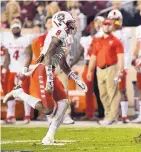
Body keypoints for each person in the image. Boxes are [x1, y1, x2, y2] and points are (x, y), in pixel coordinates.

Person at [3, 11, 87, 145]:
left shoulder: (60, 34)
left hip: (48, 70)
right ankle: (19, 93)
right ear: (61, 22)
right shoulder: (59, 31)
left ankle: (49, 137)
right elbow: (48, 55)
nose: (72, 26)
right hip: (43, 71)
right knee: (48, 109)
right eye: (69, 23)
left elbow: (62, 63)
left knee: (64, 102)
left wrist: (76, 78)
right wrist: (49, 79)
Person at [87, 19, 124, 125]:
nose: (107, 26)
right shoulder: (98, 40)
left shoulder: (116, 41)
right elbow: (93, 57)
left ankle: (112, 117)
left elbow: (120, 57)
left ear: (112, 27)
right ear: (102, 27)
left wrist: (120, 70)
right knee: (103, 94)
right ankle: (109, 115)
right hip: (100, 69)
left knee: (112, 93)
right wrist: (90, 70)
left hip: (111, 68)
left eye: (109, 25)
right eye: (105, 25)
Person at [1, 19, 33, 124]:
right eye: (14, 27)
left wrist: (25, 69)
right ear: (11, 29)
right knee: (10, 93)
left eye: (17, 27)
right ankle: (10, 116)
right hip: (12, 70)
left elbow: (29, 55)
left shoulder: (26, 39)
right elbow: (7, 56)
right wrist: (5, 69)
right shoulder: (8, 41)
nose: (15, 29)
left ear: (20, 28)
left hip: (22, 70)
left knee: (25, 93)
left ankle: (27, 116)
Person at [107, 9, 132, 123]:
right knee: (110, 91)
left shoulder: (126, 32)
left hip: (121, 64)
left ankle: (124, 116)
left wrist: (124, 66)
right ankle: (112, 115)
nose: (115, 22)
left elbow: (127, 50)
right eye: (113, 20)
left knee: (122, 90)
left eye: (117, 20)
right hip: (109, 65)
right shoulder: (106, 33)